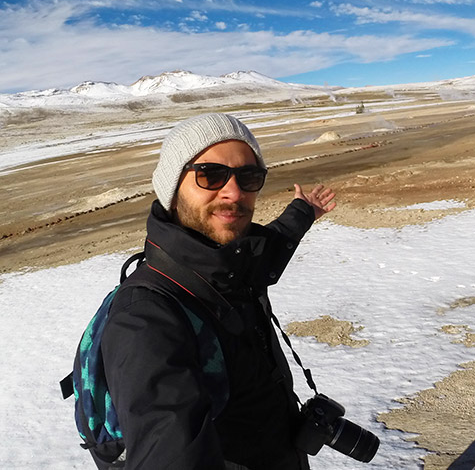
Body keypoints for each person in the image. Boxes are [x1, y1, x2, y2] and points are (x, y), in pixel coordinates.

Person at [101, 113, 336, 469]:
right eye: (209, 175)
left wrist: (303, 212)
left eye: (249, 177)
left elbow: (265, 249)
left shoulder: (229, 266)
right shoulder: (146, 318)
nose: (234, 192)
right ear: (172, 187)